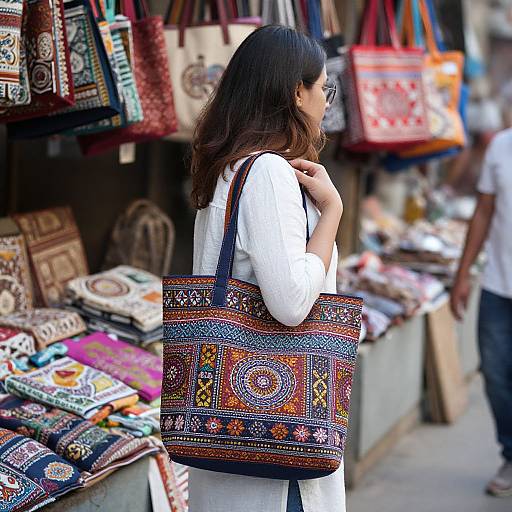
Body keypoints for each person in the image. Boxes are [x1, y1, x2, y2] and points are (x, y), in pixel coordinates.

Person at [189, 25, 344, 512]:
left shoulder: (228, 167)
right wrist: (333, 212)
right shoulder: (268, 172)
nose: (325, 102)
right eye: (324, 89)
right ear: (297, 91)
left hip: (232, 451)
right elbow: (292, 303)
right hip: (277, 465)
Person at [450, 127, 512, 498]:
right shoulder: (500, 147)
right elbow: (484, 212)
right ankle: (511, 453)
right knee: (495, 375)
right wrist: (463, 275)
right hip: (497, 286)